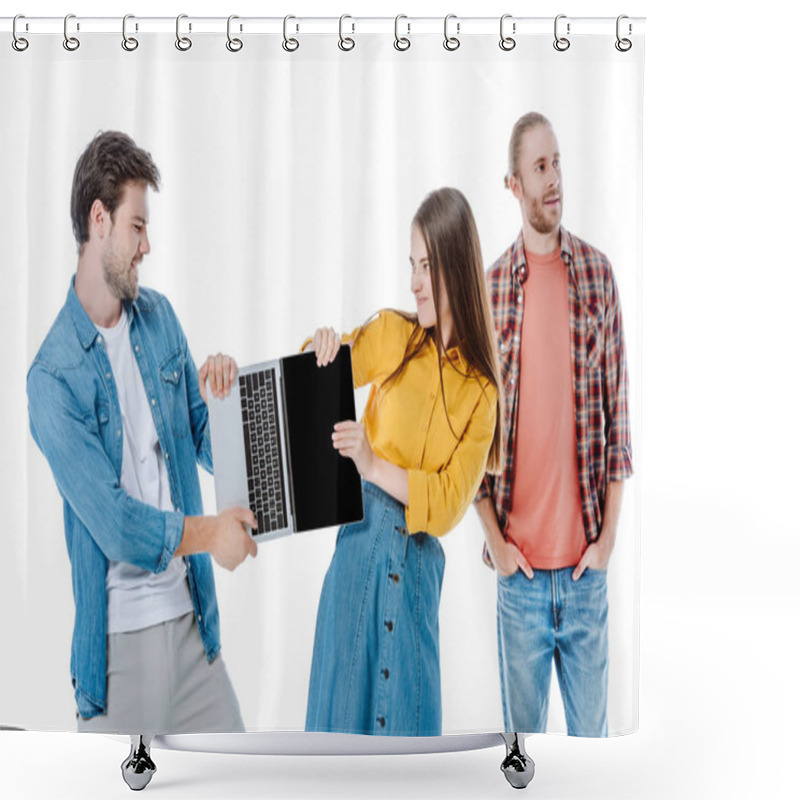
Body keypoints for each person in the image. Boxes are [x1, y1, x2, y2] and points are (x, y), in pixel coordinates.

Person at [27, 131, 258, 740]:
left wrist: (224, 402)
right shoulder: (52, 380)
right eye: (137, 227)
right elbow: (117, 525)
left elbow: (203, 440)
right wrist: (214, 537)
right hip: (119, 656)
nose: (147, 246)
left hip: (193, 630)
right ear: (98, 220)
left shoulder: (158, 319)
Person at [304, 187, 502, 736]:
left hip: (415, 578)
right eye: (411, 265)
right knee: (338, 740)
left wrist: (372, 465)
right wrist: (319, 351)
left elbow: (445, 504)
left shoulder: (482, 394)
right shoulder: (395, 335)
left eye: (427, 266)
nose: (414, 281)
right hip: (359, 560)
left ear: (457, 270)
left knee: (408, 756)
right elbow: (315, 388)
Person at [475, 113, 633, 737]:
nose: (554, 179)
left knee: (592, 760)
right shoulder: (487, 293)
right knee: (523, 765)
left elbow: (619, 425)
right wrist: (495, 543)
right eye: (539, 167)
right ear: (513, 184)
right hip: (519, 585)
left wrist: (608, 543)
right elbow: (471, 444)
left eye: (558, 162)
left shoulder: (598, 276)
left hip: (586, 577)